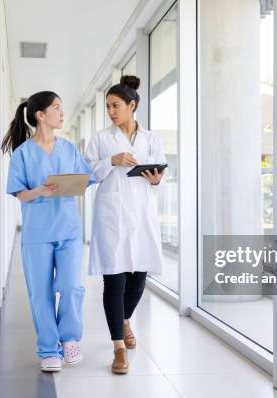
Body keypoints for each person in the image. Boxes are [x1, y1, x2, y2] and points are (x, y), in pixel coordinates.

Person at [1, 91, 95, 372]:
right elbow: (20, 194)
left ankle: (69, 339)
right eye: (57, 108)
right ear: (40, 115)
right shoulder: (23, 154)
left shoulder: (68, 149)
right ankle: (48, 349)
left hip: (68, 229)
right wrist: (40, 190)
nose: (62, 113)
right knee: (40, 293)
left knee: (70, 286)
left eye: (62, 108)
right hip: (38, 233)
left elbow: (86, 178)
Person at [85, 75, 166, 374]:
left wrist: (157, 180)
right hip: (111, 217)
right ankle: (119, 348)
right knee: (114, 281)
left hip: (142, 214)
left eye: (116, 105)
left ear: (132, 105)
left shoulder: (151, 138)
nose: (111, 111)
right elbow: (88, 174)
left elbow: (160, 172)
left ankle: (124, 319)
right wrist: (112, 161)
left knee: (139, 278)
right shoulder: (100, 139)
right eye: (107, 106)